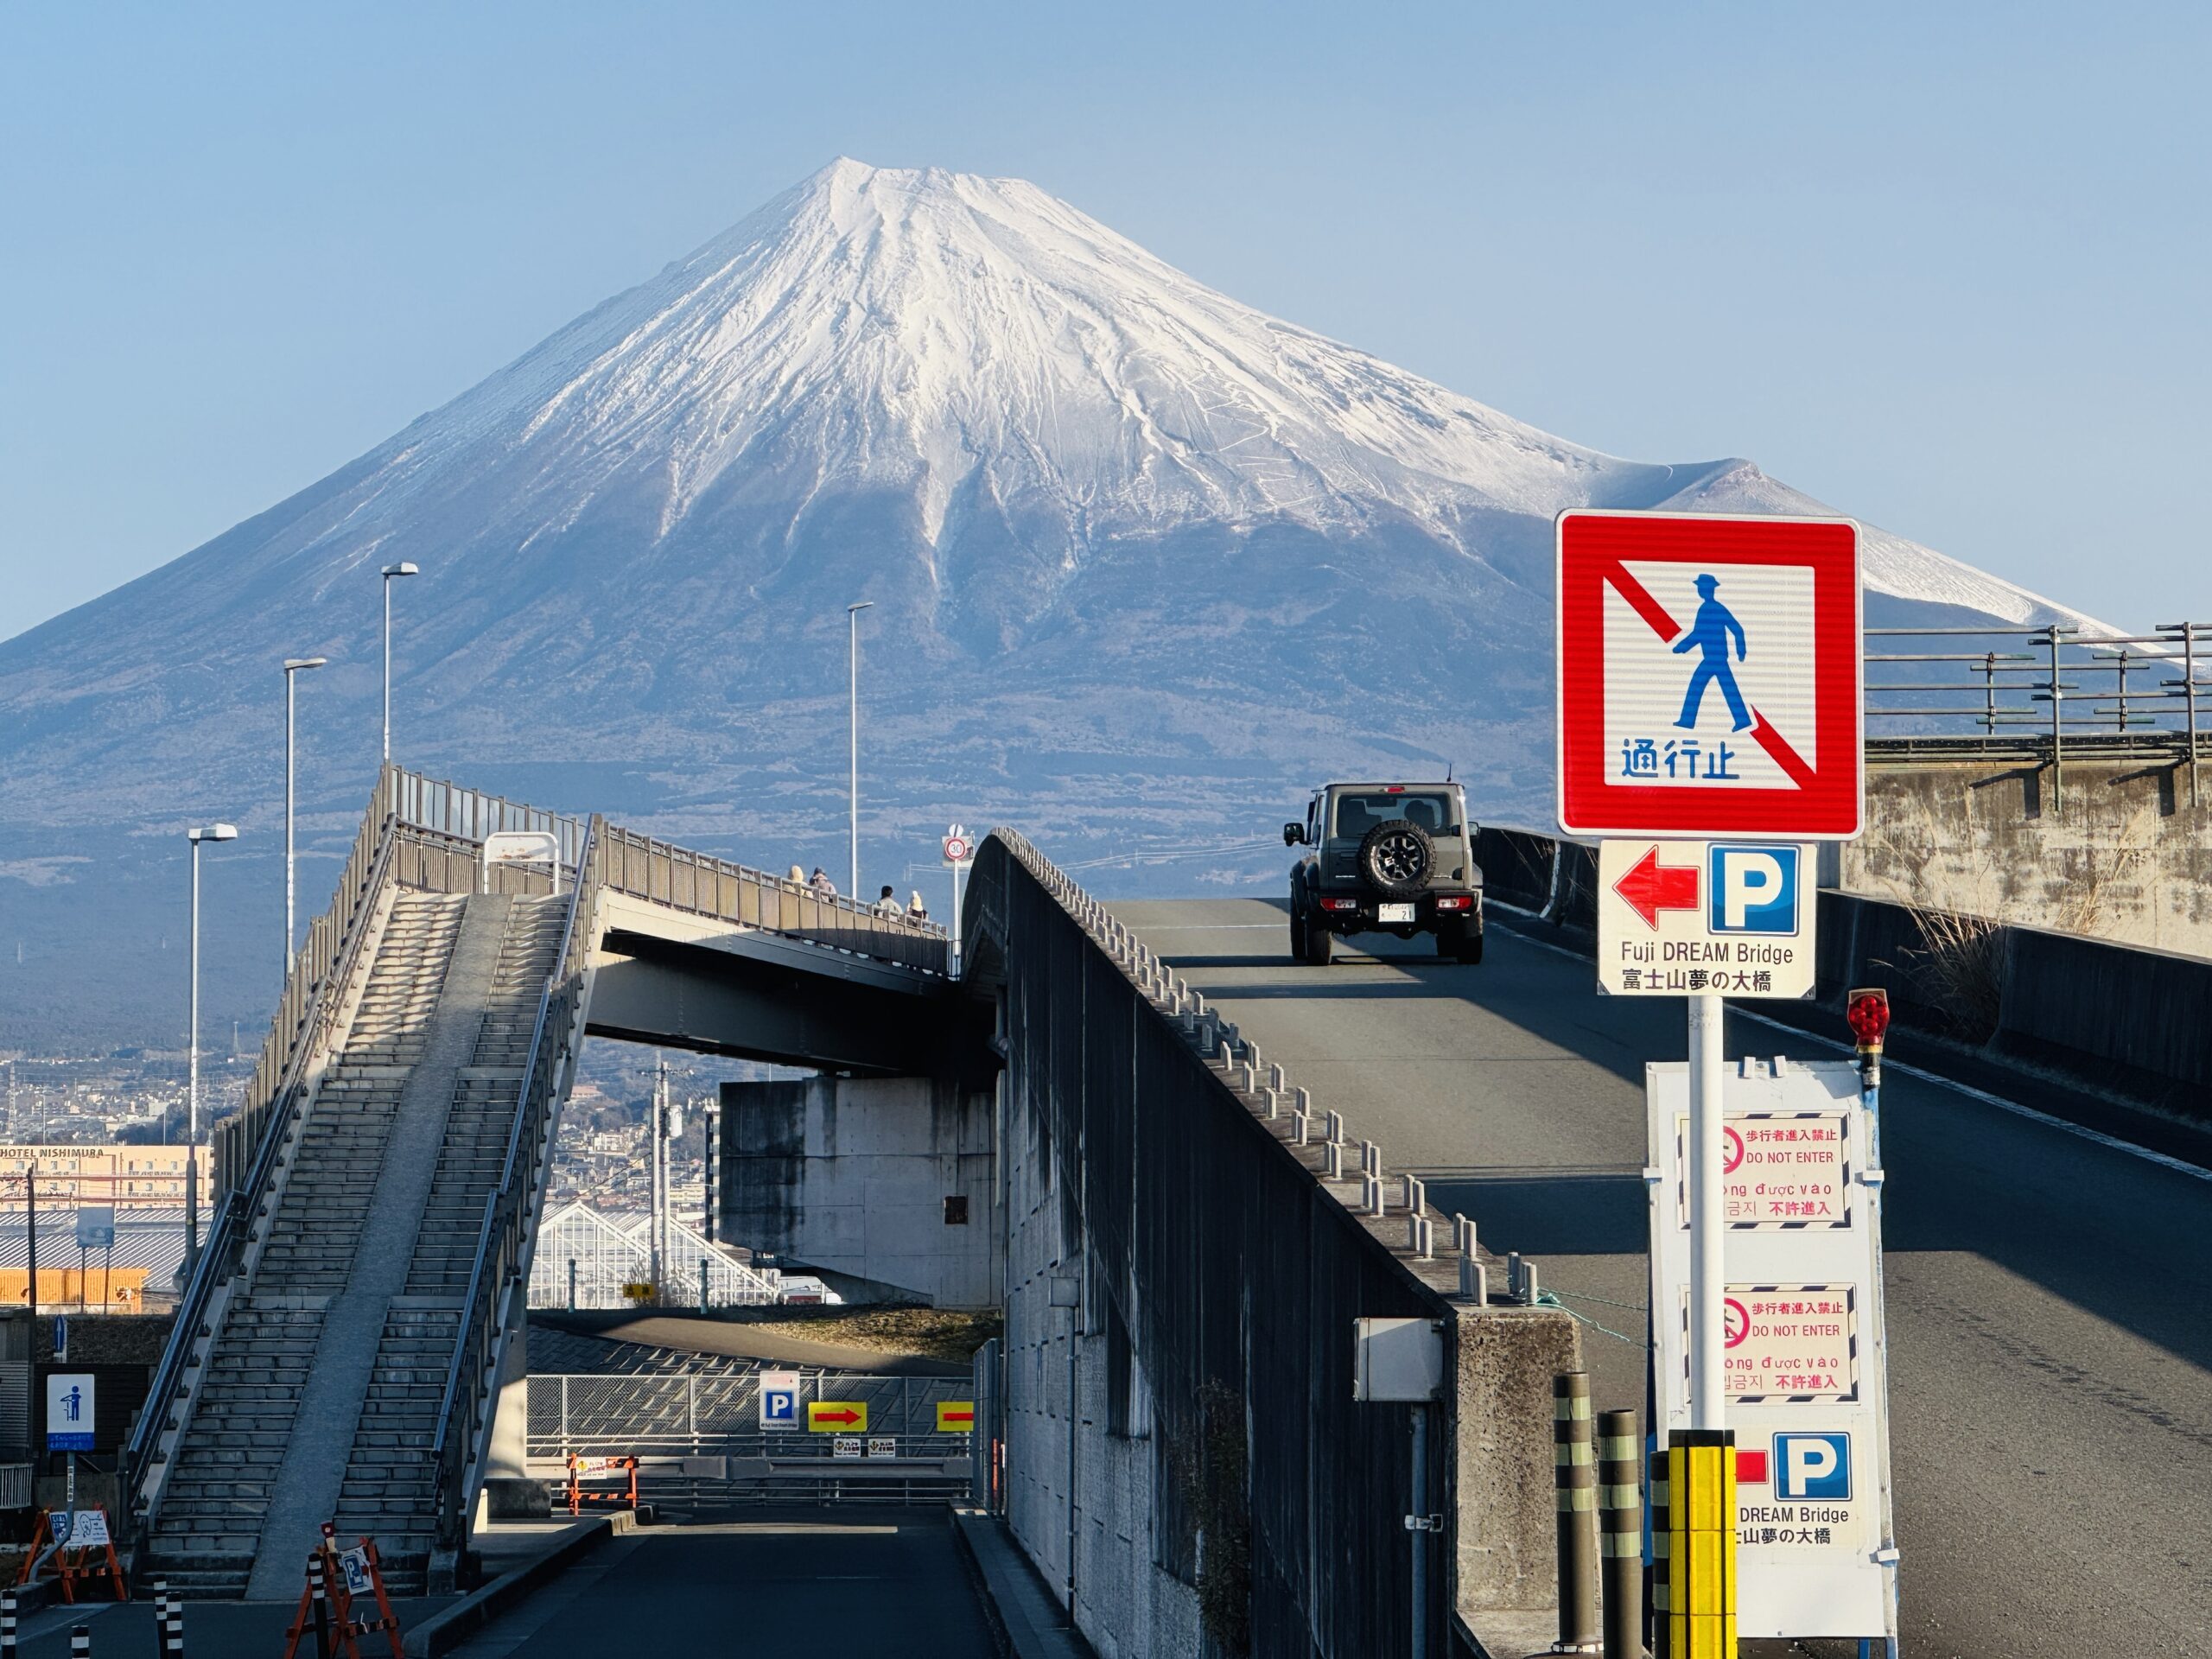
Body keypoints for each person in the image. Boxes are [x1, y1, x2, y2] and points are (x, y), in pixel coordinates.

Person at [1672, 573, 1751, 732]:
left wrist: (1682, 647)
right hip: (1716, 657)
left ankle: (1688, 721)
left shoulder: (1709, 608)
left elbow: (1700, 633)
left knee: (1698, 685)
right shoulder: (1713, 608)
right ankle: (1742, 720)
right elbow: (1701, 633)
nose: (1700, 590)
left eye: (1701, 587)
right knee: (1726, 688)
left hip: (1714, 658)